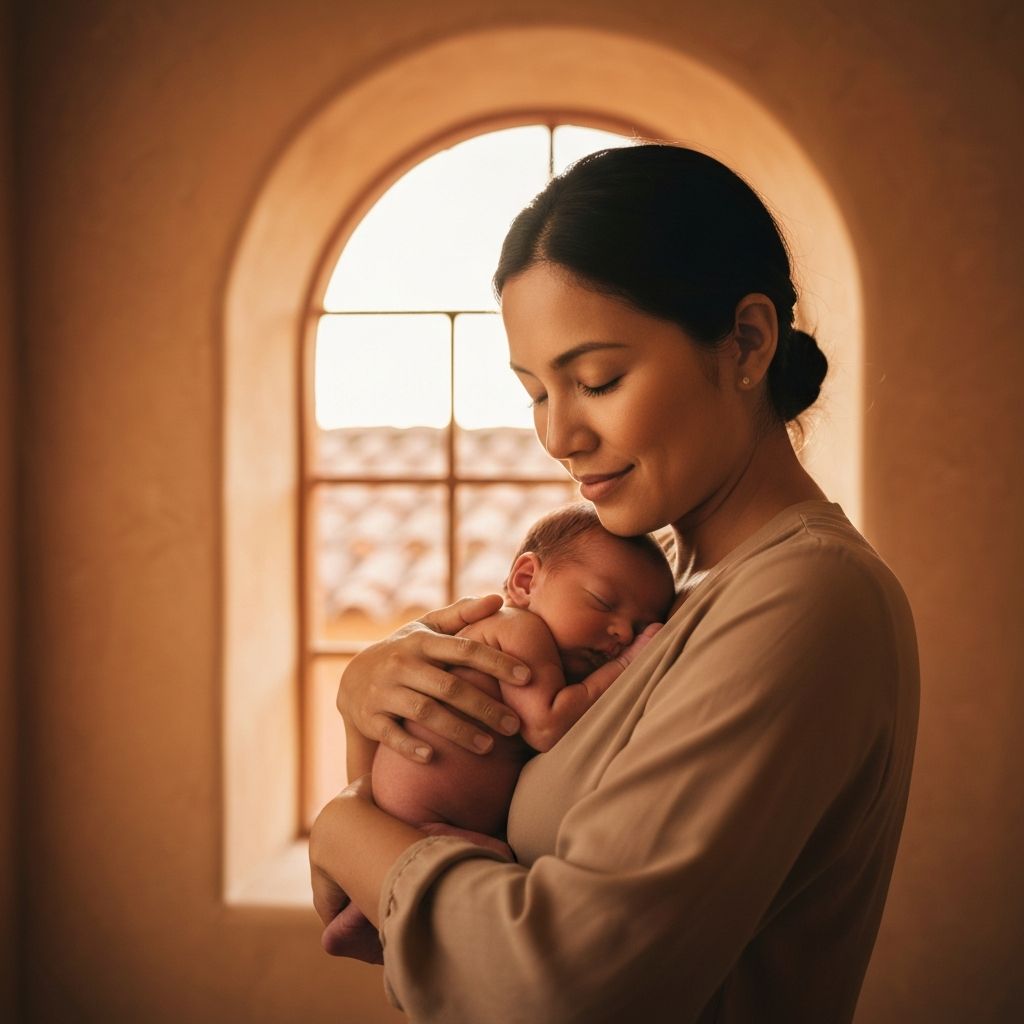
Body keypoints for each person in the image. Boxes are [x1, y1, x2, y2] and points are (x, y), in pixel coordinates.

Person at [309, 144, 919, 1024]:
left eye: (598, 380)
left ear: (747, 343)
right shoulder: (669, 590)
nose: (559, 436)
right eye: (535, 393)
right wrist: (378, 698)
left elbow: (560, 988)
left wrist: (340, 826)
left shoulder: (805, 599)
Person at [323, 501, 674, 961]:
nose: (621, 633)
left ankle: (356, 921)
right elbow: (546, 725)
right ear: (526, 581)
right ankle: (359, 920)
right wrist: (628, 664)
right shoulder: (519, 630)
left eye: (639, 626)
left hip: (415, 818)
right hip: (418, 820)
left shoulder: (548, 652)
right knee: (504, 866)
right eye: (603, 602)